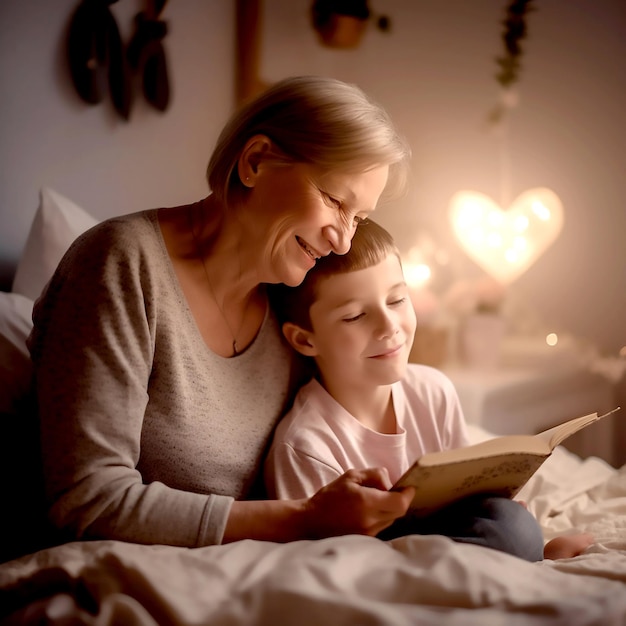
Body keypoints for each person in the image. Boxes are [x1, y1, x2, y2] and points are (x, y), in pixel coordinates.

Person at [26, 75, 416, 549]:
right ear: (255, 162)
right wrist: (304, 519)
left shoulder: (290, 299)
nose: (343, 240)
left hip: (254, 566)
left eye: (359, 217)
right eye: (335, 201)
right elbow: (87, 499)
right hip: (124, 570)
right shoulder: (121, 263)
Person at [264, 219, 594, 561]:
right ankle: (524, 559)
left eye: (397, 300)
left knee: (510, 521)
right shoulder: (305, 446)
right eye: (355, 316)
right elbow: (314, 558)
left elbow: (468, 495)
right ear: (305, 339)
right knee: (510, 534)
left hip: (442, 535)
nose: (389, 327)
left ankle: (525, 553)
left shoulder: (433, 390)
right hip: (373, 559)